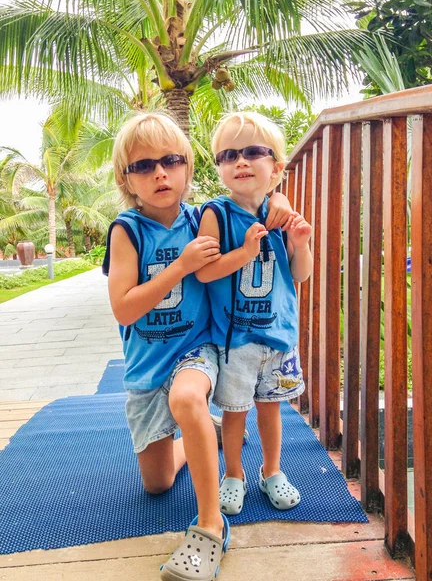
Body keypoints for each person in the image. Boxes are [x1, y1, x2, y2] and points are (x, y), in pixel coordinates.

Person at [103, 111, 294, 581]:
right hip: (148, 362)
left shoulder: (202, 218)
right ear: (126, 179)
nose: (160, 173)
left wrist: (280, 201)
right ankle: (201, 432)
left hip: (196, 350)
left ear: (189, 166)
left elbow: (253, 201)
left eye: (170, 160)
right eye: (143, 166)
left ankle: (211, 526)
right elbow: (125, 310)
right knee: (158, 482)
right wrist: (181, 266)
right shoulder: (127, 231)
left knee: (186, 397)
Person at [196, 111, 313, 517]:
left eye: (252, 152)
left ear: (276, 168)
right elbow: (205, 270)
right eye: (228, 155)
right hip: (235, 337)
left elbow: (300, 275)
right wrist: (244, 253)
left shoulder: (281, 215)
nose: (240, 161)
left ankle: (272, 469)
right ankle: (233, 473)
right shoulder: (217, 213)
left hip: (277, 335)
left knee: (271, 407)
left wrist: (301, 243)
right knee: (234, 410)